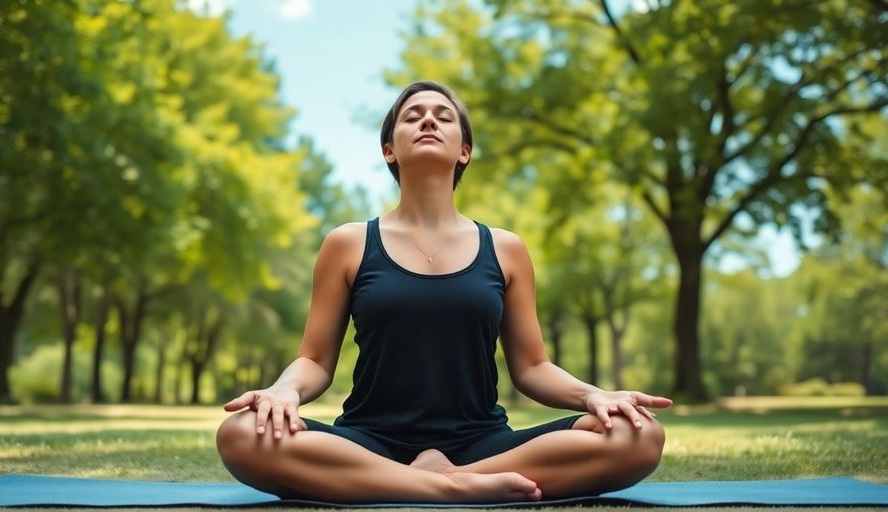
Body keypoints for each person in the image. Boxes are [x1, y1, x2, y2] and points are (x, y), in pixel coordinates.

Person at [215, 81, 672, 503]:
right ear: (389, 150)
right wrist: (284, 390)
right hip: (368, 442)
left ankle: (433, 479)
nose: (429, 120)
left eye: (443, 116)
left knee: (639, 434)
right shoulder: (348, 243)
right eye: (413, 116)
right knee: (240, 434)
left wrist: (594, 395)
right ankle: (452, 488)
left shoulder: (506, 249)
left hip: (482, 444)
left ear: (464, 151)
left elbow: (533, 368)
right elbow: (314, 361)